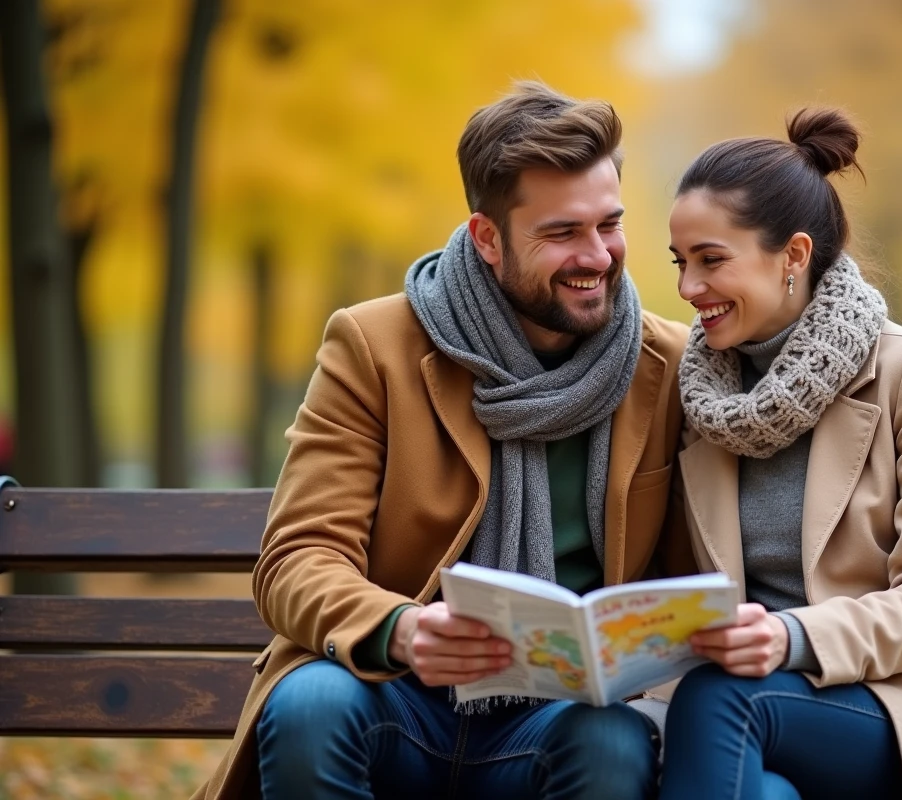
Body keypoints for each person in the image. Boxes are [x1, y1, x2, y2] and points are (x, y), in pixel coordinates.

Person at [193, 81, 696, 800]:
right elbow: (298, 558)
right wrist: (399, 629)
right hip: (395, 694)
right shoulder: (373, 346)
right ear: (487, 239)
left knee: (615, 742)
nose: (597, 256)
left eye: (608, 224)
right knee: (310, 704)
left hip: (562, 720)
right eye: (561, 234)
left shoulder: (669, 366)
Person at [652, 108, 902, 799]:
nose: (688, 289)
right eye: (681, 264)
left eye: (712, 260)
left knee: (721, 699)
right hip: (755, 713)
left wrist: (789, 638)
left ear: (794, 256)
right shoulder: (701, 396)